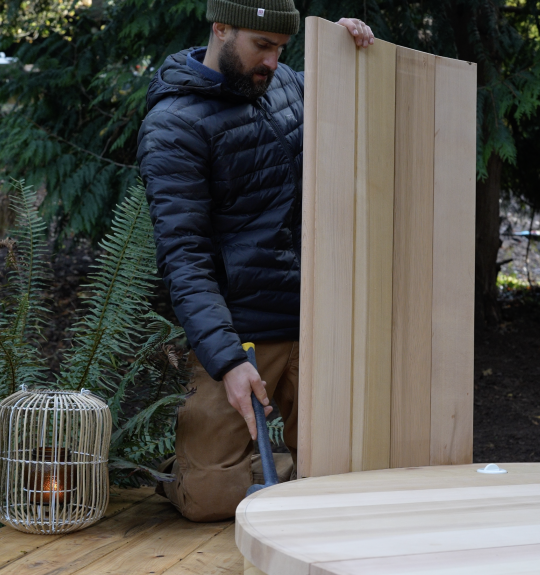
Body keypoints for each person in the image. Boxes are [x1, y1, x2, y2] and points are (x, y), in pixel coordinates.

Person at [136, 0, 375, 522]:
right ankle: (190, 471)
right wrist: (227, 361)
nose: (272, 61)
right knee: (212, 500)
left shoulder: (285, 83)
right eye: (260, 46)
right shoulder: (172, 127)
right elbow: (185, 260)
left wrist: (343, 42)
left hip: (318, 320)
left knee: (354, 478)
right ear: (220, 28)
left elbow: (347, 88)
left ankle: (285, 471)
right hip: (243, 332)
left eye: (281, 48)